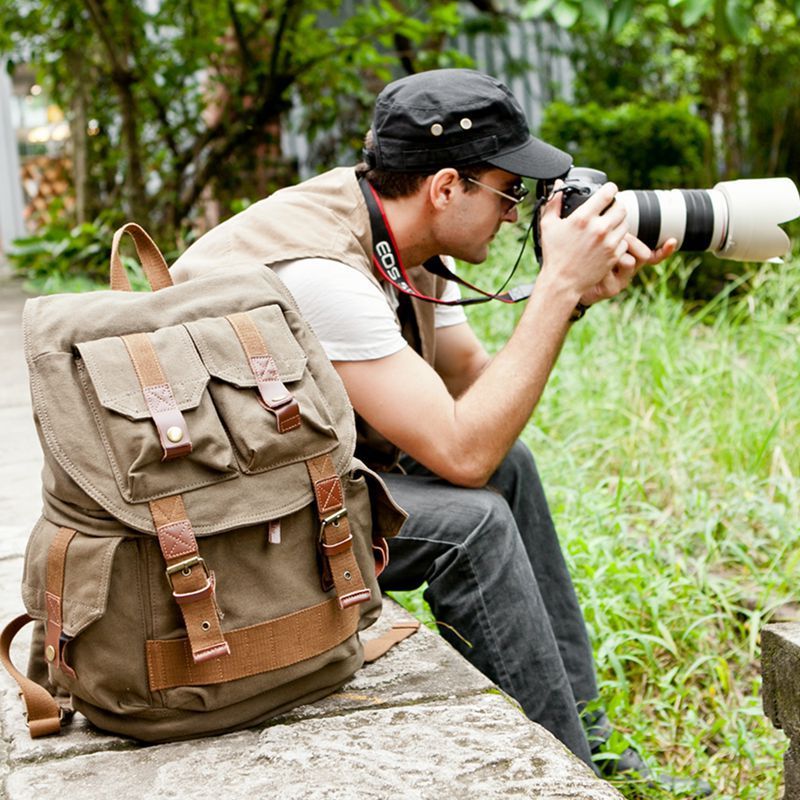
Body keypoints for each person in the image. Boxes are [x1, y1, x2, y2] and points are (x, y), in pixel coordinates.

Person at [171, 68, 710, 796]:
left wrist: (573, 299)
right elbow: (461, 453)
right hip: (221, 534)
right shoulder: (326, 276)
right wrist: (552, 291)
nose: (519, 213)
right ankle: (572, 778)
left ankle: (593, 741)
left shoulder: (404, 241)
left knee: (508, 468)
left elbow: (478, 396)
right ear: (447, 187)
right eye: (509, 189)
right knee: (471, 524)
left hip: (283, 488)